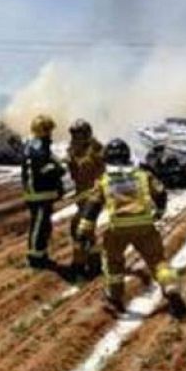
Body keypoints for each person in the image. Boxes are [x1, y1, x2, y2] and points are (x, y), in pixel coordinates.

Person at [76, 138, 186, 317]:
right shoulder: (143, 175)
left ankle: (114, 296)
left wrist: (83, 231)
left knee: (113, 262)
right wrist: (159, 211)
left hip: (118, 228)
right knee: (157, 260)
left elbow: (92, 208)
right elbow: (160, 193)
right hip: (144, 225)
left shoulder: (104, 180)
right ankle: (170, 286)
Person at [21, 114, 65, 268]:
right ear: (43, 130)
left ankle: (40, 253)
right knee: (40, 225)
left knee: (40, 224)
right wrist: (58, 169)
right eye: (49, 130)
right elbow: (43, 170)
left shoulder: (32, 144)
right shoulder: (39, 146)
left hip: (35, 192)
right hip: (40, 193)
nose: (51, 134)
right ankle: (35, 258)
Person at [66, 119, 105, 278]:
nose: (76, 138)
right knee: (82, 229)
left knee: (81, 228)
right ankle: (92, 261)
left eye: (79, 134)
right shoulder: (73, 151)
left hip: (94, 196)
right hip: (81, 197)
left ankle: (82, 265)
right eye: (74, 134)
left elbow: (104, 170)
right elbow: (75, 175)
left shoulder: (96, 149)